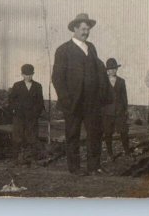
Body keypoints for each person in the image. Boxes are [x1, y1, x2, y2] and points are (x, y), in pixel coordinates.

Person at [52, 12, 110, 175]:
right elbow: (57, 78)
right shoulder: (63, 50)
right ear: (75, 29)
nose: (86, 32)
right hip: (73, 102)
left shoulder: (91, 48)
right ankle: (75, 168)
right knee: (72, 135)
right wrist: (66, 99)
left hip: (92, 102)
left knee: (95, 134)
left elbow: (98, 72)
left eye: (88, 29)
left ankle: (94, 166)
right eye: (83, 29)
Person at [7, 63, 45, 164]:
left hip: (32, 116)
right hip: (19, 116)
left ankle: (32, 157)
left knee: (32, 136)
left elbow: (40, 101)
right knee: (17, 136)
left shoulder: (37, 86)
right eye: (26, 74)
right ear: (22, 75)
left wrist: (36, 113)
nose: (28, 77)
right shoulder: (17, 85)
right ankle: (16, 157)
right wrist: (14, 110)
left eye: (30, 74)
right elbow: (11, 100)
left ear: (33, 74)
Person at [102, 57, 132, 160]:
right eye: (110, 69)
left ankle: (127, 151)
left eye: (114, 68)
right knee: (108, 133)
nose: (113, 70)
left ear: (117, 69)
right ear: (107, 70)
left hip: (120, 111)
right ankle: (110, 154)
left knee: (124, 132)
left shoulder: (121, 81)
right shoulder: (103, 81)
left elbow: (124, 96)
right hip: (107, 112)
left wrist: (125, 110)